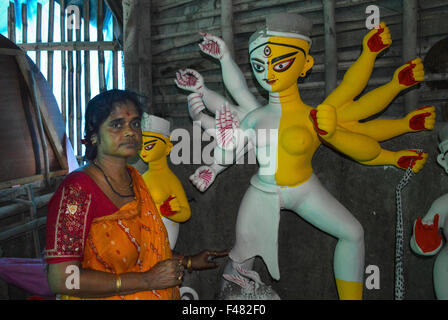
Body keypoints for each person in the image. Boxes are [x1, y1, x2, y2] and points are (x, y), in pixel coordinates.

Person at [194, 14, 433, 299]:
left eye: (280, 63)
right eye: (259, 66)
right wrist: (212, 167)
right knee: (240, 261)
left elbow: (359, 144)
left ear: (306, 64)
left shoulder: (314, 117)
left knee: (353, 233)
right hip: (262, 193)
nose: (269, 72)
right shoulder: (256, 117)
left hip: (305, 189)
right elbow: (230, 148)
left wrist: (391, 158)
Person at [45, 89, 227, 300]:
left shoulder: (135, 180)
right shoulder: (77, 191)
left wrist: (186, 261)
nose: (130, 132)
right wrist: (147, 281)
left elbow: (143, 250)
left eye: (135, 124)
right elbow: (62, 279)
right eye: (116, 124)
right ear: (94, 135)